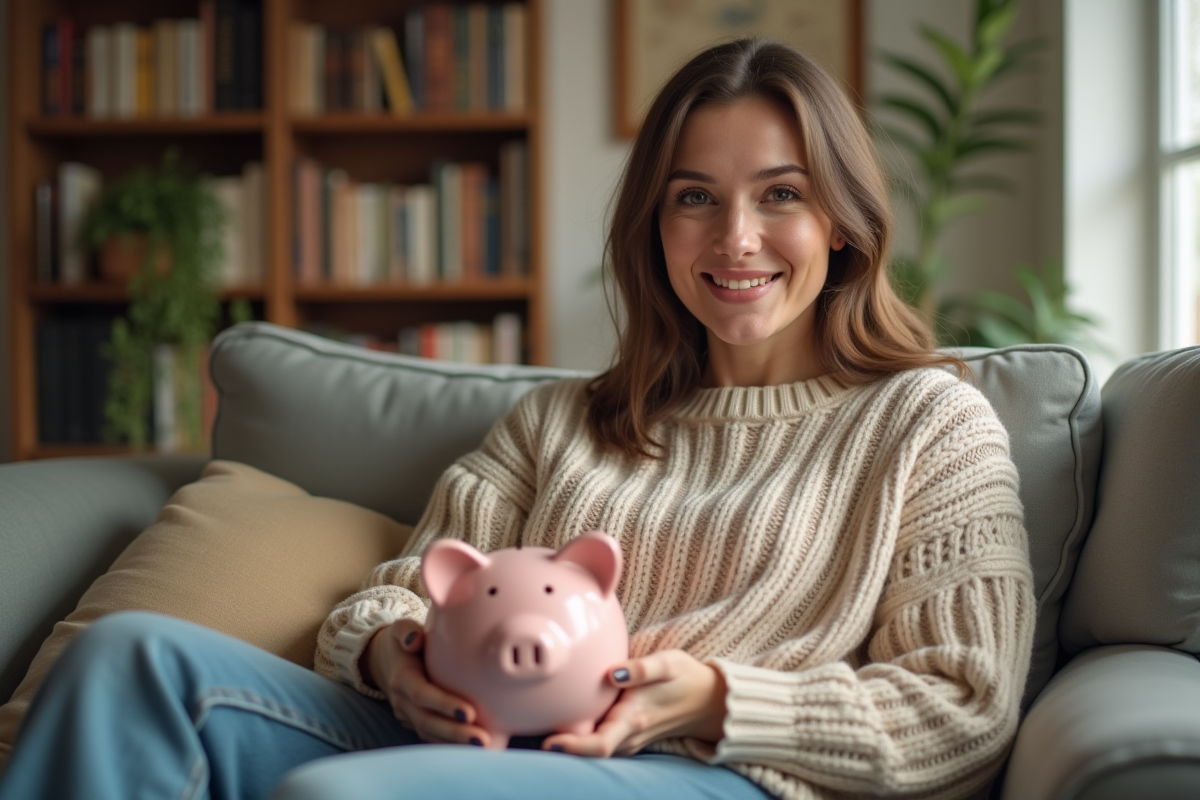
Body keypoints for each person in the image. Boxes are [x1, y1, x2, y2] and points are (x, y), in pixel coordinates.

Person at [0, 38, 1034, 800]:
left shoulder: (928, 424)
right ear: (652, 224)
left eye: (781, 194)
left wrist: (718, 697)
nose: (736, 237)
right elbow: (400, 592)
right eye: (692, 197)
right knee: (128, 655)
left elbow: (966, 704)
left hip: (711, 773)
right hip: (467, 742)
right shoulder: (564, 423)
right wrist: (395, 661)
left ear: (844, 223)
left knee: (345, 796)